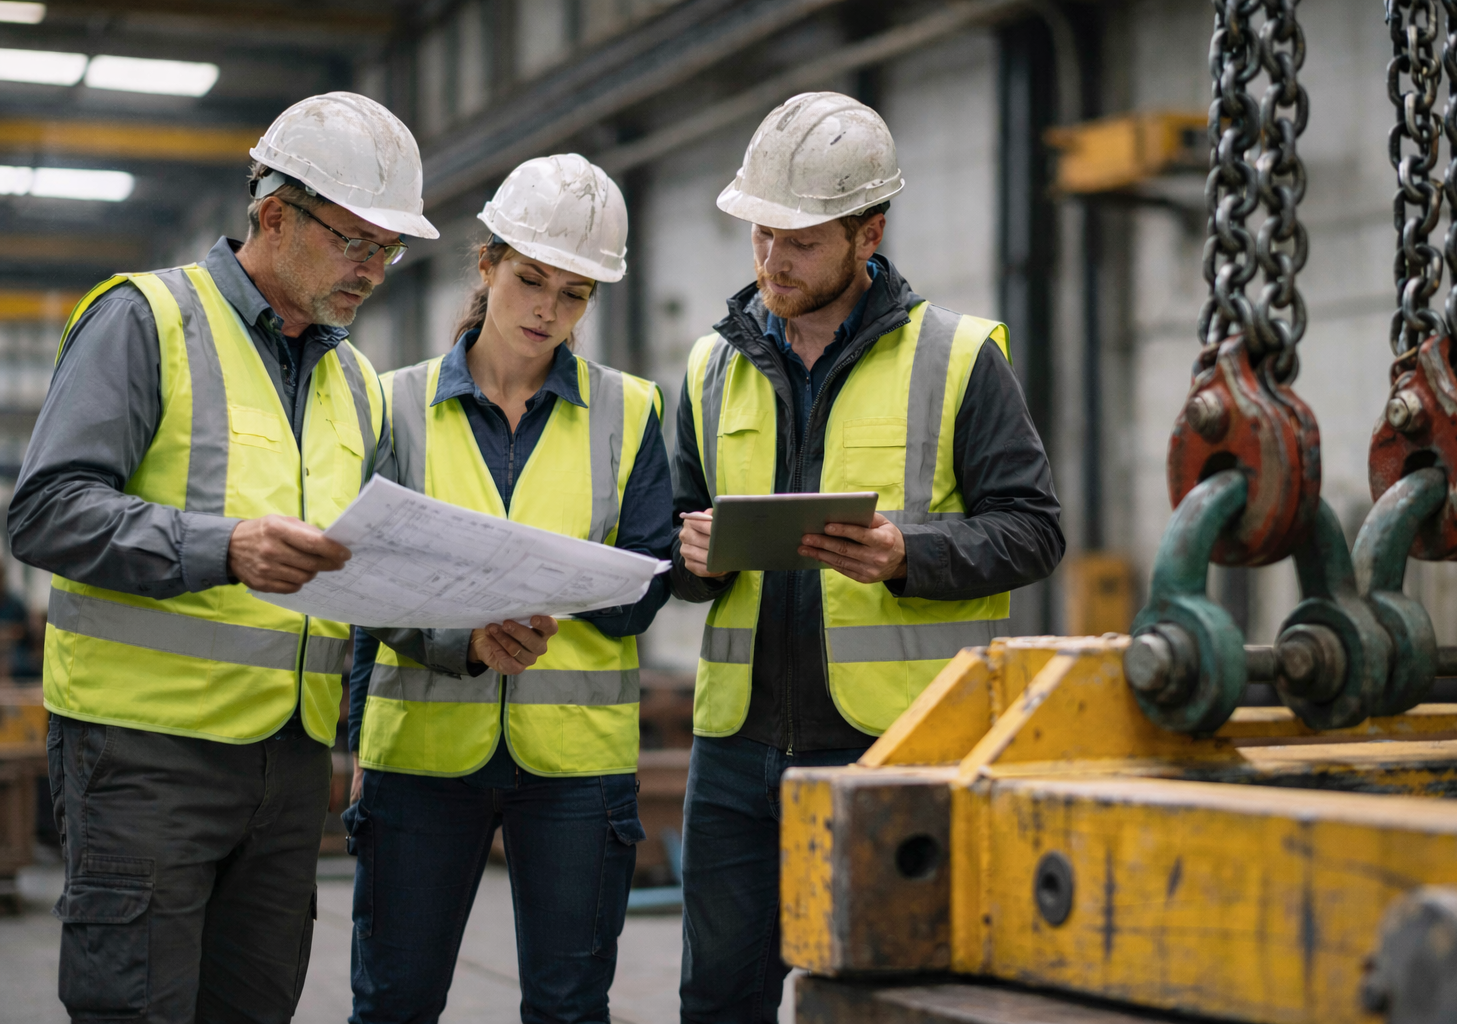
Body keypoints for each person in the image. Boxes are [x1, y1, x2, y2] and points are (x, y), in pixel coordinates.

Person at [7, 91, 545, 1023]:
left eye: (390, 250)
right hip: (147, 756)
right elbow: (48, 512)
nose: (374, 270)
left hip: (290, 764)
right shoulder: (147, 321)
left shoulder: (355, 385)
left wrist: (464, 638)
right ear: (272, 215)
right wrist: (226, 549)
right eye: (354, 242)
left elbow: (364, 569)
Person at [671, 92, 1065, 1022]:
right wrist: (696, 557)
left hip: (892, 746)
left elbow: (1034, 529)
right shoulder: (707, 367)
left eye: (800, 240)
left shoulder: (960, 359)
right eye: (761, 233)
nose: (772, 259)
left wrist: (905, 554)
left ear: (868, 233)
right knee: (718, 999)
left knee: (879, 1001)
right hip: (733, 754)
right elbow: (676, 545)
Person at [344, 154, 673, 1024]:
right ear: (486, 264)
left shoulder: (633, 410)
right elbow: (360, 581)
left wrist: (559, 600)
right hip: (419, 755)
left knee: (569, 1009)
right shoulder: (392, 406)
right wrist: (464, 639)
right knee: (394, 1003)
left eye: (574, 294)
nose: (547, 310)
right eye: (531, 279)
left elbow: (645, 582)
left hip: (575, 766)